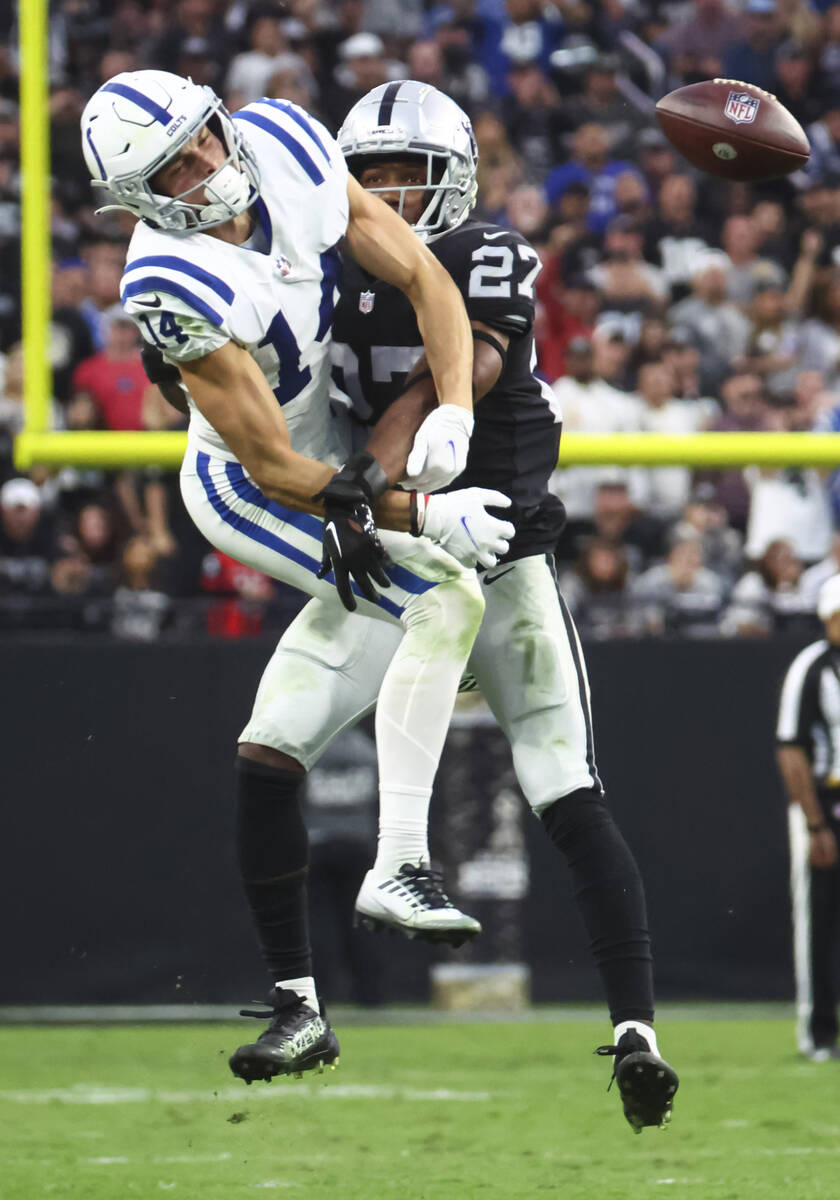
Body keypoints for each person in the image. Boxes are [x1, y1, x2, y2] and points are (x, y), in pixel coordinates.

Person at [253, 80, 679, 1131]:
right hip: (390, 549)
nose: (392, 194)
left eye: (413, 173)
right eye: (376, 174)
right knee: (266, 754)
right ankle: (298, 1005)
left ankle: (637, 1034)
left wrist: (378, 474)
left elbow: (471, 367)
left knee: (565, 789)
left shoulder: (486, 253)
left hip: (495, 557)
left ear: (456, 180)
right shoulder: (308, 264)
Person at [81, 69, 515, 1081]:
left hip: (346, 454)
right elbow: (275, 465)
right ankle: (400, 863)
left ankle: (298, 1009)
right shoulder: (168, 285)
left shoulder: (281, 137)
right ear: (138, 198)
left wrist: (450, 409)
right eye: (174, 167)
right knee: (447, 595)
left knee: (273, 749)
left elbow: (422, 276)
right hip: (255, 487)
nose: (205, 166)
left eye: (202, 139)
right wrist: (419, 509)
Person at [776, 574, 840, 1060]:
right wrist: (815, 824)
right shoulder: (812, 668)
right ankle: (818, 1033)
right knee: (819, 922)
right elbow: (791, 750)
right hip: (827, 802)